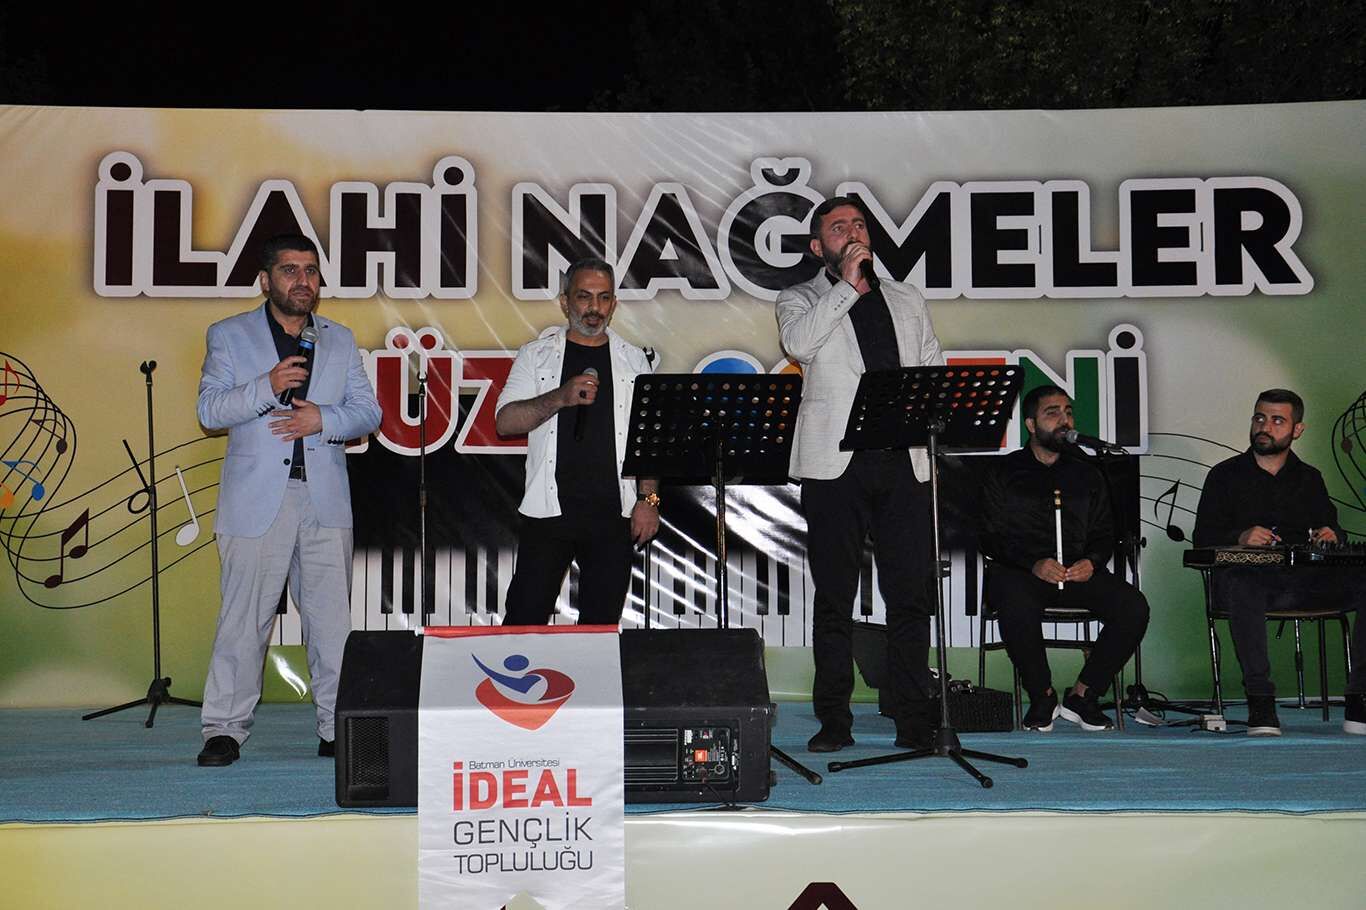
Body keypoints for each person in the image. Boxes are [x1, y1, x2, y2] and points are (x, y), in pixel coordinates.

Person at [195, 234, 382, 767]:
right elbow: (210, 411)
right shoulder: (230, 335)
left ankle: (337, 727)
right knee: (243, 621)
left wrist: (323, 418)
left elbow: (368, 412)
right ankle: (224, 730)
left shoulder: (339, 339)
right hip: (256, 502)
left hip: (324, 499)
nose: (303, 280)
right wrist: (266, 385)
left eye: (311, 271)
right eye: (290, 270)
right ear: (265, 279)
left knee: (331, 623)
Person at [777, 196, 942, 753]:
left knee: (910, 596)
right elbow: (798, 345)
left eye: (859, 224)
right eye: (837, 227)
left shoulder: (906, 297)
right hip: (835, 465)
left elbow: (932, 365)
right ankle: (834, 720)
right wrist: (847, 286)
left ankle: (912, 717)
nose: (852, 233)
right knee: (835, 597)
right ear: (816, 246)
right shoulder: (799, 299)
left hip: (902, 461)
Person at [495, 257, 659, 625]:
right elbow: (505, 422)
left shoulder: (634, 360)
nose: (594, 308)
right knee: (524, 620)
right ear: (565, 301)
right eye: (584, 297)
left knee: (600, 626)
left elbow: (646, 438)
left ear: (614, 304)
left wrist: (648, 500)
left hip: (613, 514)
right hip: (548, 510)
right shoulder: (536, 355)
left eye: (604, 298)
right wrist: (560, 397)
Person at [978, 385, 1150, 731]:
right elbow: (989, 535)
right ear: (1031, 424)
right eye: (1052, 412)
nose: (1064, 420)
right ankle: (1042, 695)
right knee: (1014, 602)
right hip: (1022, 572)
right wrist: (1033, 563)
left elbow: (1104, 532)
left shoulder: (1087, 472)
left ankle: (1083, 695)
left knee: (1133, 607)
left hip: (1075, 572)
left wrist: (1092, 562)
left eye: (1068, 412)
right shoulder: (1004, 471)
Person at [1193, 388, 1364, 736]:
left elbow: (1332, 528)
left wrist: (1331, 535)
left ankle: (1359, 698)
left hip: (1304, 582)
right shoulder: (1224, 475)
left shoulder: (1309, 477)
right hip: (1247, 582)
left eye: (1277, 421)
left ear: (1296, 430)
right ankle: (1261, 700)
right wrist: (1240, 536)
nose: (1264, 427)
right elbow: (1202, 538)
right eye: (1259, 418)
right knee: (1246, 583)